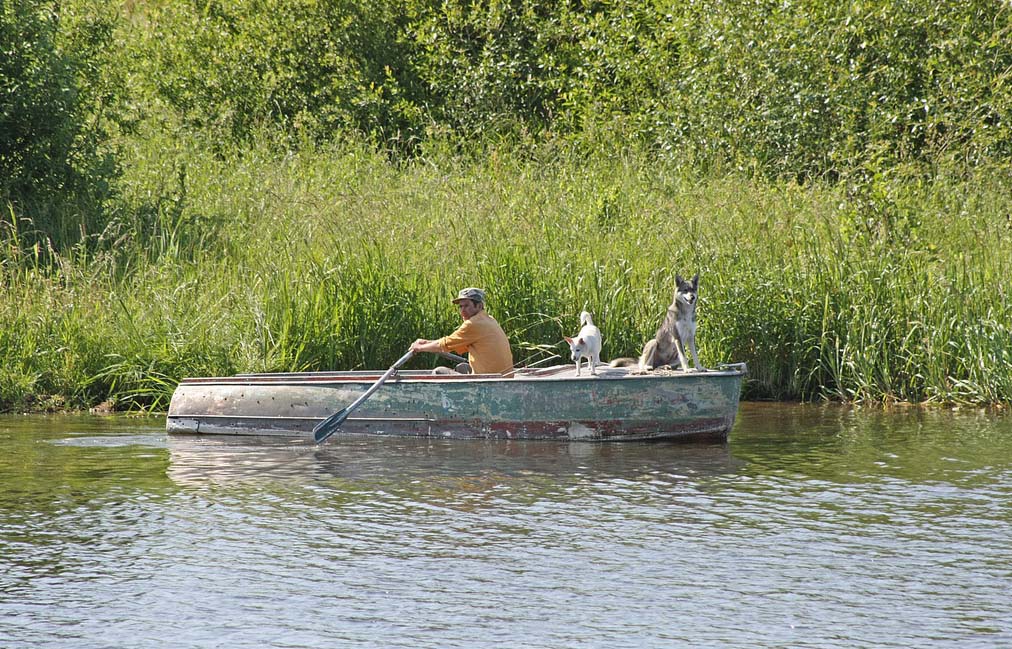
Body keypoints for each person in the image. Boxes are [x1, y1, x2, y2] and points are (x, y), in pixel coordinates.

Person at [410, 287, 513, 375]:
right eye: (461, 306)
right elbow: (455, 344)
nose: (462, 310)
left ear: (479, 306)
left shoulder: (473, 324)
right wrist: (426, 342)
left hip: (488, 381)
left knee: (439, 371)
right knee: (463, 367)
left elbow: (445, 344)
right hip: (501, 377)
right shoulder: (488, 319)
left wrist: (419, 348)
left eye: (467, 306)